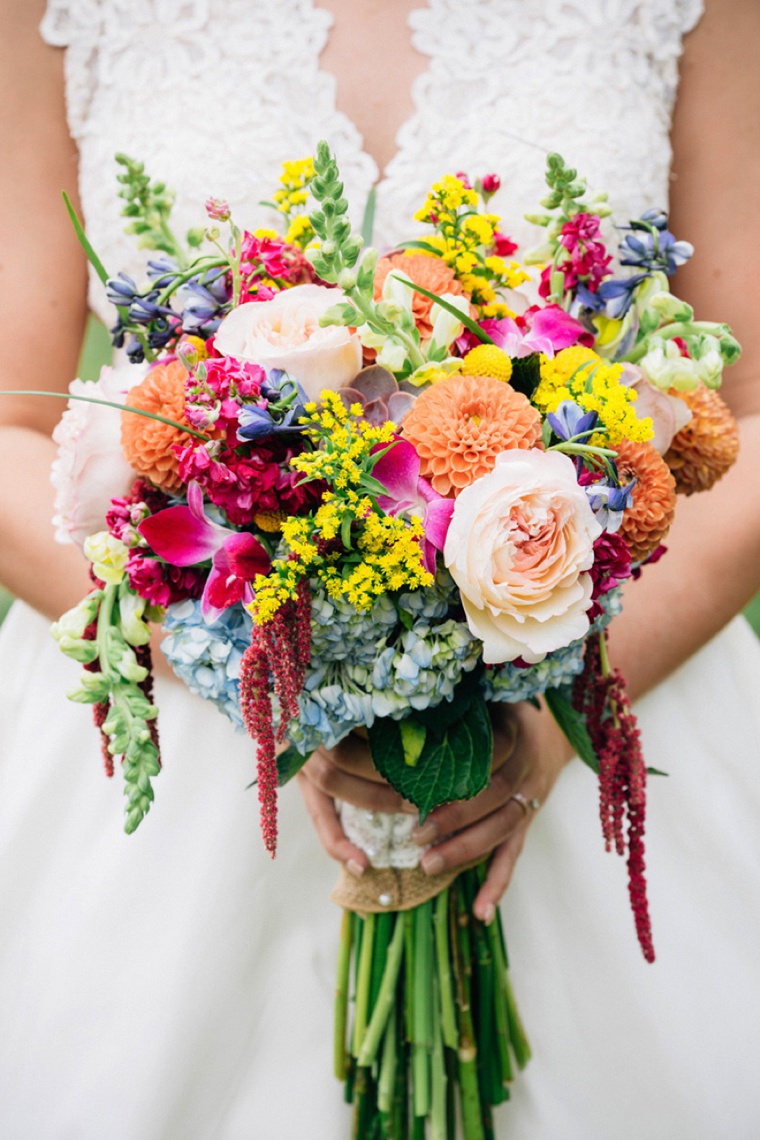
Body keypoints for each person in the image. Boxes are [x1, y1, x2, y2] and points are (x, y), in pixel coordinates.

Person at [0, 1, 759, 1137]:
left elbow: (748, 414)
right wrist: (263, 682)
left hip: (603, 679)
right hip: (191, 706)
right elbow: (10, 420)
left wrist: (545, 726)